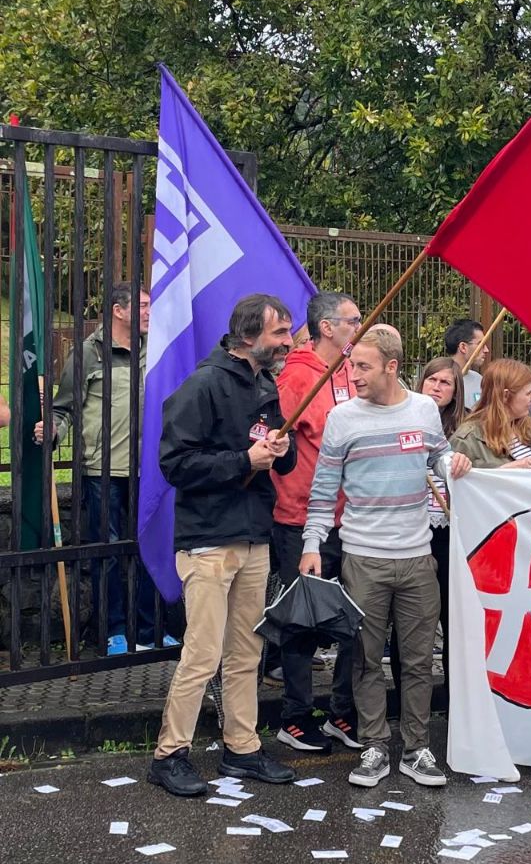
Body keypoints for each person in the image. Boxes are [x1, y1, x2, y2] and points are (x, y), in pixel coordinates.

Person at [302, 326, 471, 789]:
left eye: (363, 366)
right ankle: (374, 745)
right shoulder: (341, 418)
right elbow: (323, 490)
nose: (353, 374)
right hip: (362, 558)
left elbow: (439, 456)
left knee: (418, 662)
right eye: (352, 364)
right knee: (364, 659)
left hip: (417, 558)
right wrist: (312, 544)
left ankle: (416, 749)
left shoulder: (423, 410)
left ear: (392, 367)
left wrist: (453, 463)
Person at [148, 294, 298, 797]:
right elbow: (176, 464)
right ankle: (169, 754)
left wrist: (281, 450)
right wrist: (243, 461)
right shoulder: (204, 385)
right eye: (280, 333)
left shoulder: (265, 383)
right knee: (203, 652)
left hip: (254, 535)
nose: (289, 341)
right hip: (209, 539)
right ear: (248, 336)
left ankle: (242, 747)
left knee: (246, 651)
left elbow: (279, 457)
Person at [36, 283, 165, 654]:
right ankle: (113, 631)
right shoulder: (88, 354)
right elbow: (64, 408)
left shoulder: (157, 349)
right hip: (102, 470)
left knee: (149, 549)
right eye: (142, 305)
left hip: (150, 470)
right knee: (106, 553)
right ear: (118, 311)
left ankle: (149, 630)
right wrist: (52, 430)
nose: (150, 312)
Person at [269, 291, 362, 754]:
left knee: (354, 619)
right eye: (353, 320)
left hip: (351, 516)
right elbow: (278, 443)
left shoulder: (348, 370)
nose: (359, 327)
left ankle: (343, 712)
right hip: (300, 518)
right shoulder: (298, 376)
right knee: (302, 622)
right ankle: (295, 717)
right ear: (327, 327)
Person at [415, 354, 466, 708]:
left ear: (455, 391)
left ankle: (454, 704)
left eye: (445, 382)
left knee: (453, 620)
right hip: (415, 530)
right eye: (431, 379)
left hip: (451, 531)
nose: (436, 387)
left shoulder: (464, 429)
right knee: (414, 622)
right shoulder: (406, 418)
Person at [451, 358, 531, 476]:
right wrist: (507, 470)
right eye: (528, 393)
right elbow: (460, 484)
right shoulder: (468, 439)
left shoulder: (525, 428)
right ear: (505, 396)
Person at [444, 318, 489, 410]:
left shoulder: (479, 380)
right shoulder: (440, 380)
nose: (486, 350)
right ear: (463, 347)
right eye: (481, 344)